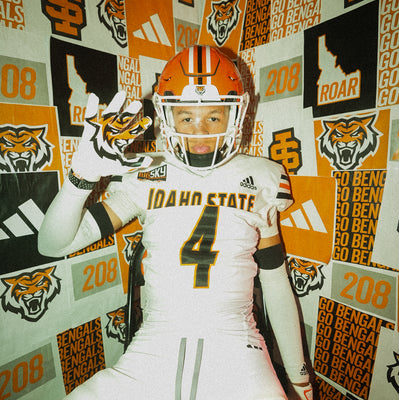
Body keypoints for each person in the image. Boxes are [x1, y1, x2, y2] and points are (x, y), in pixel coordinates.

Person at [38, 45, 313, 400]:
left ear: (235, 115)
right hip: (155, 342)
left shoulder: (263, 176)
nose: (200, 131)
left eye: (213, 117)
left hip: (237, 344)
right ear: (167, 117)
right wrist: (81, 177)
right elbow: (52, 245)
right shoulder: (146, 173)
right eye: (186, 117)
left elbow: (275, 281)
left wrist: (299, 377)